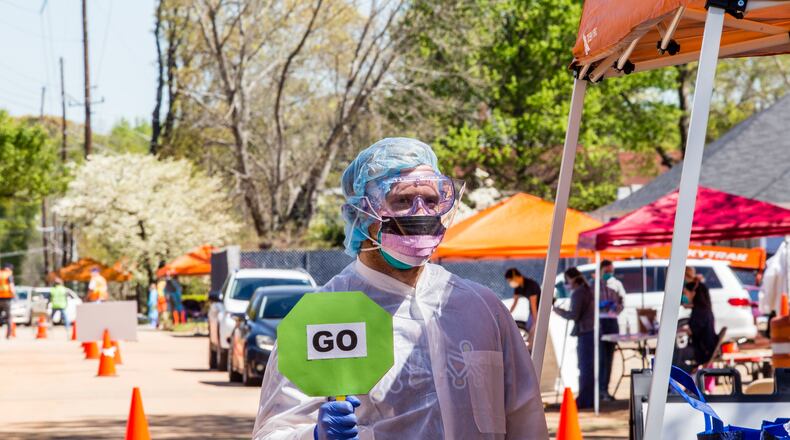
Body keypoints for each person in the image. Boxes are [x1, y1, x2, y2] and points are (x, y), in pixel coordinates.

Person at [253, 138, 548, 439]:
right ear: (362, 213)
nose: (420, 213)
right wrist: (313, 436)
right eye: (403, 200)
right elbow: (273, 432)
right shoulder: (322, 318)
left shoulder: (483, 308)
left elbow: (525, 418)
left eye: (431, 201)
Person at [553, 267, 595, 409]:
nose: (566, 283)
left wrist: (558, 311)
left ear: (571, 279)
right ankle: (588, 398)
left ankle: (584, 400)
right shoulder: (586, 289)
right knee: (588, 367)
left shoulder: (578, 293)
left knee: (584, 367)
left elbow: (574, 315)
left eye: (567, 280)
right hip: (590, 331)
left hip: (585, 332)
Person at [598, 260, 625, 402]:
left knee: (609, 358)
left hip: (612, 321)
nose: (609, 274)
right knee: (601, 358)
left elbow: (623, 302)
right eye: (606, 271)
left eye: (611, 271)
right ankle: (599, 390)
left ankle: (605, 390)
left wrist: (615, 308)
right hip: (600, 322)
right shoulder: (595, 285)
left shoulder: (617, 284)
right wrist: (599, 306)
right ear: (601, 270)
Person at [683, 267, 718, 368]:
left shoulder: (700, 313)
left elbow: (694, 331)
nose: (684, 297)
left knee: (676, 353)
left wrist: (681, 330)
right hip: (706, 346)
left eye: (685, 294)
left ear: (693, 294)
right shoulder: (703, 310)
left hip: (703, 350)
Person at [505, 268, 541, 349]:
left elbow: (533, 304)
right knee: (529, 329)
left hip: (539, 310)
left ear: (515, 276)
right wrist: (507, 314)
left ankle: (531, 350)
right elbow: (514, 303)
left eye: (510, 280)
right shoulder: (518, 287)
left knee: (533, 331)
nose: (509, 283)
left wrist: (536, 320)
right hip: (532, 311)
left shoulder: (531, 285)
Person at [0, 263, 15, 339]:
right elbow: (11, 286)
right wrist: (14, 294)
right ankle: (8, 335)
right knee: (9, 317)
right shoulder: (9, 275)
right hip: (6, 298)